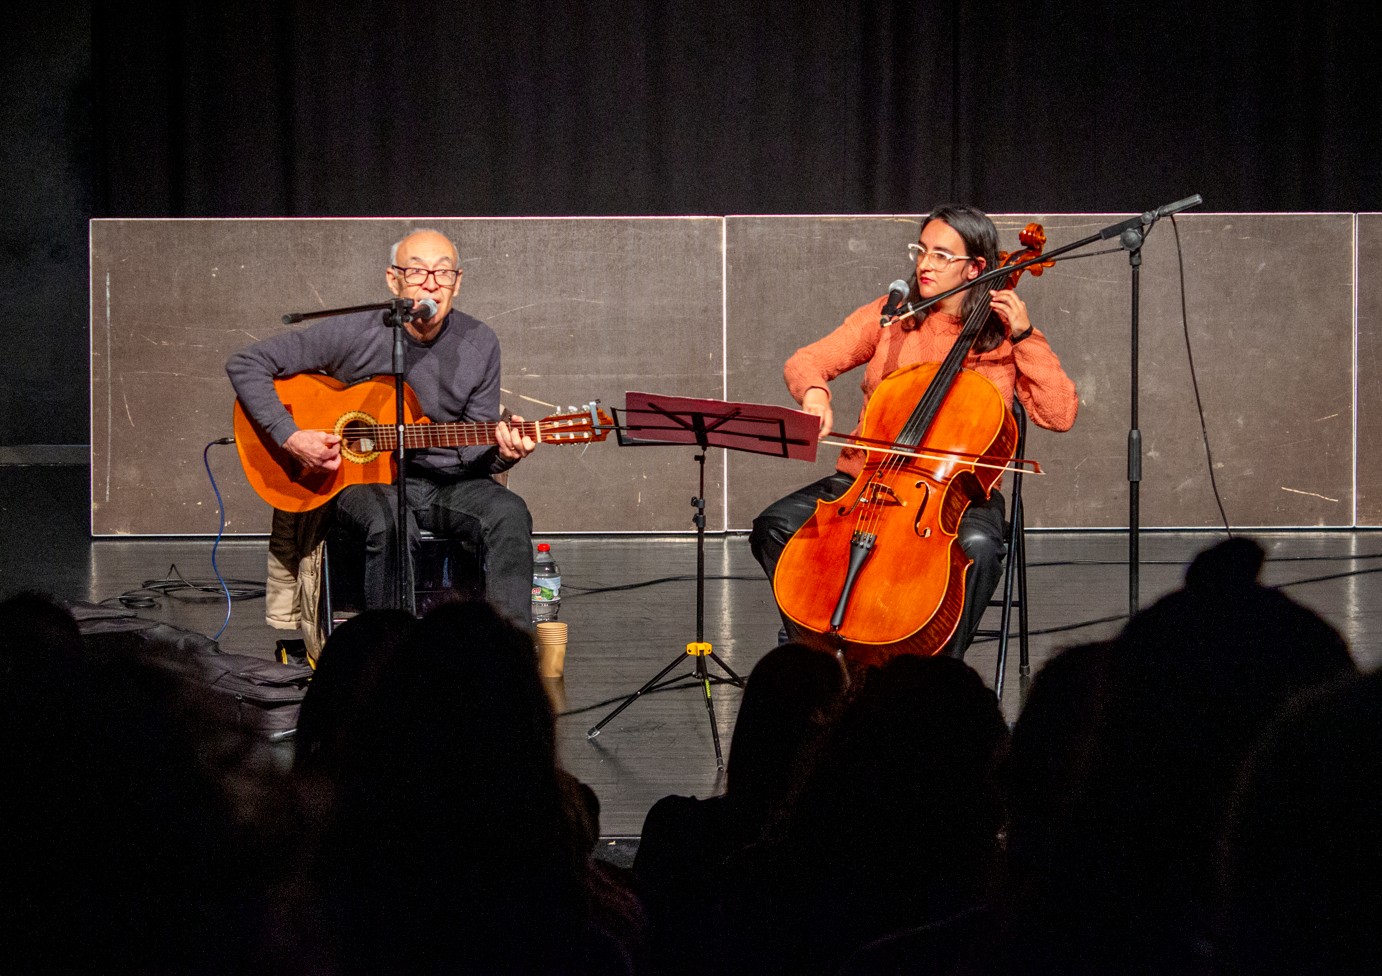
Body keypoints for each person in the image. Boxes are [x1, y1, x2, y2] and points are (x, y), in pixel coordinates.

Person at [750, 204, 1078, 658]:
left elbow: (1059, 413)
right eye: (922, 250)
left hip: (955, 494)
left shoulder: (1004, 337)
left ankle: (939, 671)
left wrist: (1025, 336)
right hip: (866, 480)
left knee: (979, 548)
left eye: (942, 256)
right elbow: (808, 360)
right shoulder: (893, 316)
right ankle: (814, 651)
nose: (925, 264)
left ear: (976, 267)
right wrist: (814, 395)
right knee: (775, 525)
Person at [227, 228, 538, 630]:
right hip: (361, 482)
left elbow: (473, 448)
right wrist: (290, 435)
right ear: (393, 280)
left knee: (509, 512)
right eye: (417, 272)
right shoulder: (356, 331)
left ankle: (509, 654)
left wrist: (503, 452)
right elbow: (246, 363)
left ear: (457, 283)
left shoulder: (479, 342)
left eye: (443, 273)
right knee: (390, 521)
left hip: (445, 483)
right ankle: (391, 656)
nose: (431, 283)